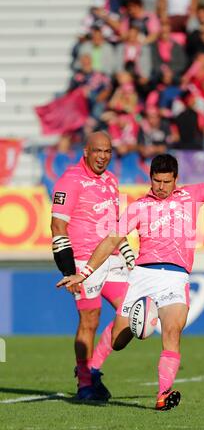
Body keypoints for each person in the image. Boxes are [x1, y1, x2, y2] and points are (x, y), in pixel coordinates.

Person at [57, 135, 204, 410]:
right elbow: (110, 240)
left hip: (175, 278)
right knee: (119, 340)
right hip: (142, 277)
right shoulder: (139, 207)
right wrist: (85, 272)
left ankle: (163, 395)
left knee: (172, 332)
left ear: (176, 179)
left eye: (167, 181)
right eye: (157, 181)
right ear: (150, 178)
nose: (161, 187)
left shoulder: (192, 196)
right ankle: (91, 370)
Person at [51, 131, 135, 401]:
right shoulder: (69, 180)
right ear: (85, 151)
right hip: (82, 261)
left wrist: (127, 252)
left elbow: (115, 226)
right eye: (97, 151)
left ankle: (94, 368)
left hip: (111, 258)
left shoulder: (111, 181)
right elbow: (57, 226)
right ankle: (85, 383)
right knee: (90, 318)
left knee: (132, 311)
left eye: (107, 152)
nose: (102, 157)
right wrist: (68, 272)